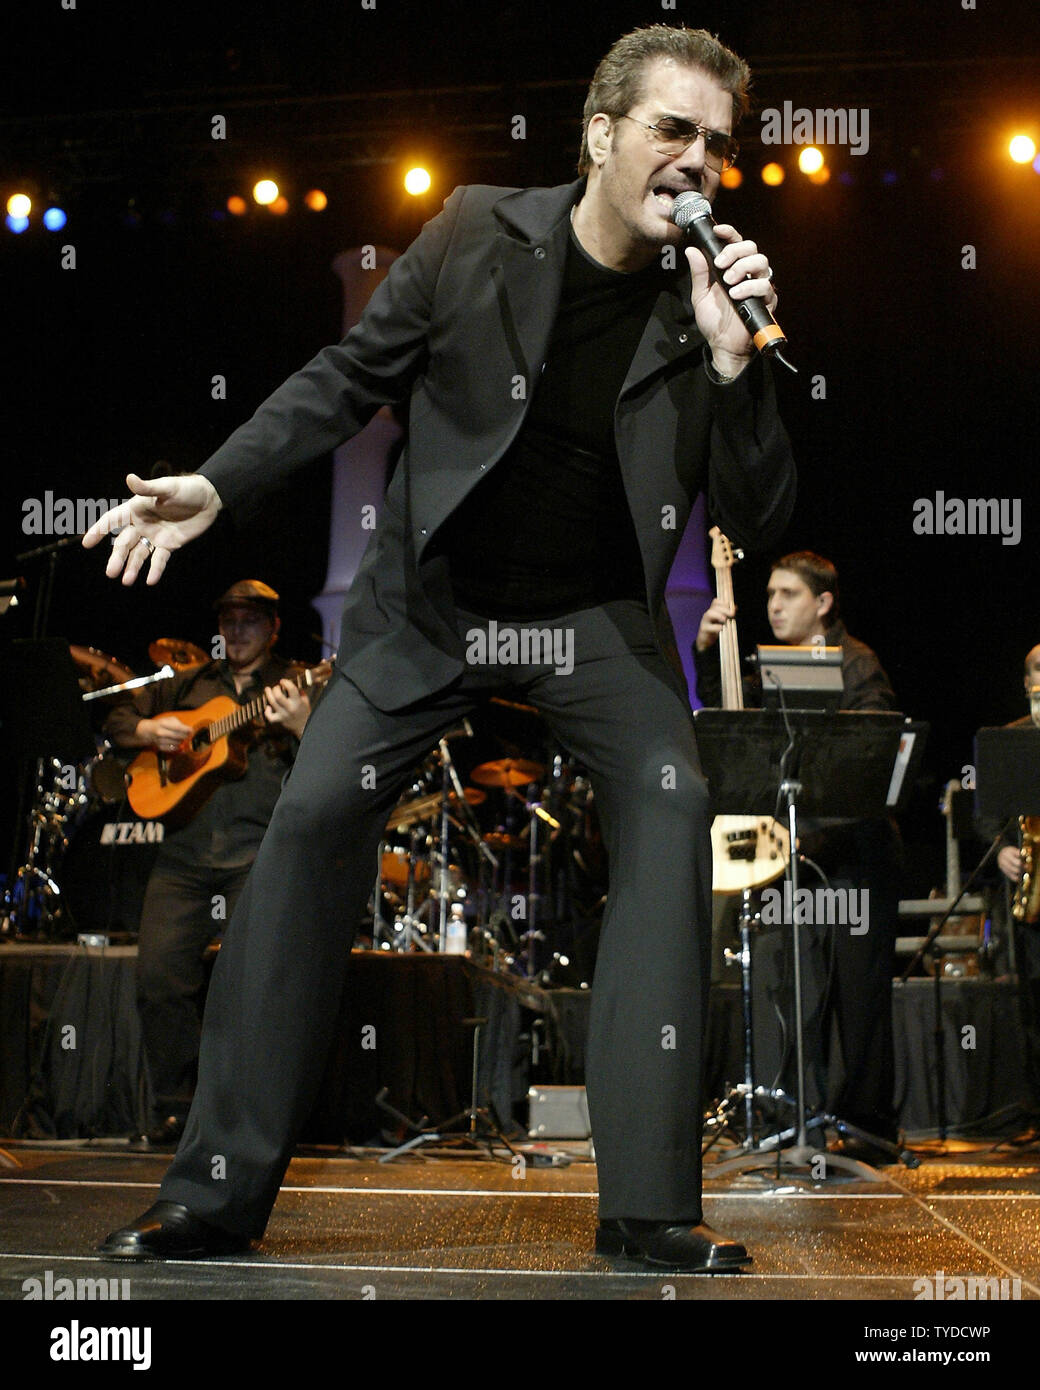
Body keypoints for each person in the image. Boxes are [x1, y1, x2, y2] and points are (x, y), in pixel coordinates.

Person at [84, 24, 796, 1269]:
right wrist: (214, 482)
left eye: (718, 146)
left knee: (672, 806)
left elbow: (762, 514)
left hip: (591, 626)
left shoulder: (704, 309)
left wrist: (737, 362)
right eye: (671, 131)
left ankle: (646, 1207)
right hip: (435, 607)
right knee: (305, 826)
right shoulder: (477, 231)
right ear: (599, 136)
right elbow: (346, 374)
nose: (696, 163)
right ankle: (208, 1191)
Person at [694, 551, 904, 1157]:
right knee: (794, 989)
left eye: (788, 594)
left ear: (824, 602)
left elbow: (869, 758)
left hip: (854, 854)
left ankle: (867, 1130)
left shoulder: (856, 663)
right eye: (769, 595)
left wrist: (803, 835)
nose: (774, 606)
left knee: (859, 999)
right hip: (795, 855)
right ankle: (797, 1116)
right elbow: (731, 724)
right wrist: (710, 652)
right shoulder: (778, 667)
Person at [104, 581, 313, 1145]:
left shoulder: (295, 684)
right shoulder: (190, 683)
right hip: (184, 855)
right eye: (229, 620)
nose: (237, 630)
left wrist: (302, 725)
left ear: (273, 628)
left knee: (251, 986)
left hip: (257, 854)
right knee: (157, 980)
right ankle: (177, 1107)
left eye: (250, 620)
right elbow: (116, 714)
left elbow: (334, 761)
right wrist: (148, 728)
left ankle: (246, 1114)